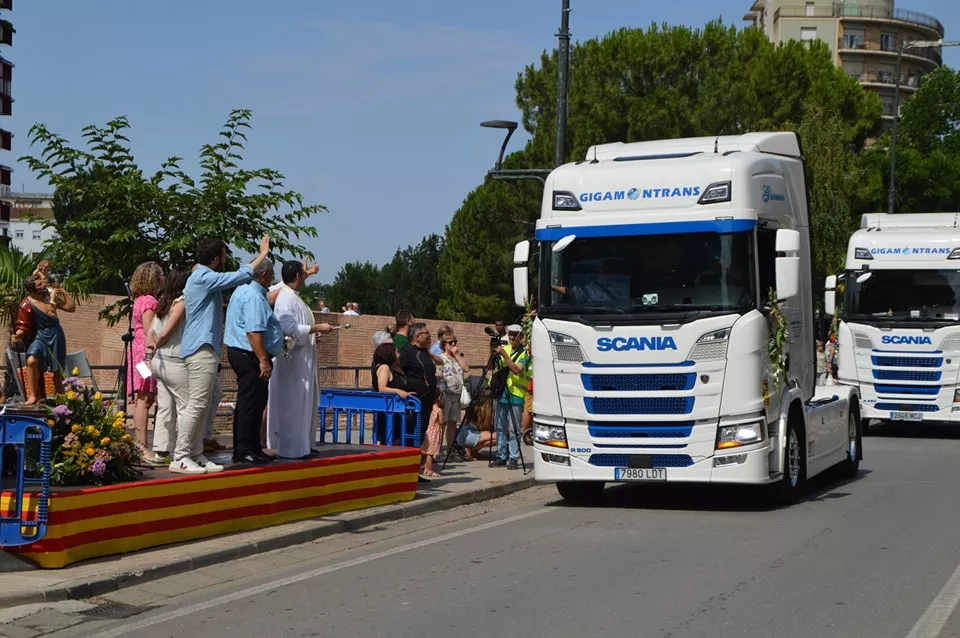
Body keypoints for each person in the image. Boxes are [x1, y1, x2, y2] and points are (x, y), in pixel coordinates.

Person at [175, 235, 271, 475]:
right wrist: (262, 255)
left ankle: (196, 453)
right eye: (225, 255)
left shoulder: (202, 276)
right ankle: (181, 456)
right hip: (200, 349)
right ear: (217, 258)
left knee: (204, 404)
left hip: (204, 349)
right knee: (196, 405)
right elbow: (238, 276)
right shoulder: (203, 277)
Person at [267, 260, 333, 459]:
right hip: (293, 363)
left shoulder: (294, 297)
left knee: (304, 402)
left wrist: (313, 335)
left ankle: (302, 444)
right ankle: (290, 447)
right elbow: (288, 327)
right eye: (303, 274)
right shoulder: (286, 299)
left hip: (303, 359)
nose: (305, 277)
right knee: (292, 403)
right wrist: (316, 328)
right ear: (297, 276)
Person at [225, 258, 284, 464]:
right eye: (271, 274)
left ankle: (253, 446)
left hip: (245, 353)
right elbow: (254, 330)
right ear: (264, 275)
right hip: (249, 354)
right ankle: (244, 449)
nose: (272, 278)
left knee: (256, 402)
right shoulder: (253, 296)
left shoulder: (245, 291)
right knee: (250, 403)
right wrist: (263, 360)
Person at [146, 269, 190, 466]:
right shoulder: (181, 302)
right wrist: (160, 343)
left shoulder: (162, 302)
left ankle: (161, 451)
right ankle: (183, 452)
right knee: (186, 407)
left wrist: (151, 352)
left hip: (159, 362)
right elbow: (166, 332)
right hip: (174, 359)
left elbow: (151, 332)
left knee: (165, 407)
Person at [11, 273, 75, 404]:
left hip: (56, 335)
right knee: (31, 360)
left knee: (57, 371)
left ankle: (62, 401)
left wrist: (63, 292)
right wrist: (18, 335)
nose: (43, 285)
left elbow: (70, 308)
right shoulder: (26, 303)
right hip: (40, 335)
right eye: (39, 284)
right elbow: (23, 325)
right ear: (31, 288)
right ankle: (33, 395)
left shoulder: (49, 298)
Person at [128, 261, 164, 463]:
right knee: (146, 398)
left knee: (144, 397)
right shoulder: (150, 301)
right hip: (146, 354)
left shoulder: (139, 299)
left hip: (138, 352)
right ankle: (142, 445)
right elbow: (151, 330)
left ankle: (141, 443)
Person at [492, 324, 530, 470]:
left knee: (514, 428)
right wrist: (493, 351)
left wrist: (504, 355)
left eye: (516, 335)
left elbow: (516, 369)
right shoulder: (505, 349)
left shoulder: (524, 354)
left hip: (515, 394)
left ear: (521, 337)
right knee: (500, 426)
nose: (513, 337)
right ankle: (501, 455)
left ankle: (513, 457)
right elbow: (492, 367)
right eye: (511, 334)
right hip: (501, 391)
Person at [371, 341, 412, 444]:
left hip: (397, 411)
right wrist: (399, 391)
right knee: (391, 441)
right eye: (397, 352)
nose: (399, 354)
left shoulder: (394, 368)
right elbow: (382, 388)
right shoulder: (384, 367)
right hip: (388, 412)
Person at [438, 332, 469, 454]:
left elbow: (466, 368)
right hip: (446, 394)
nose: (454, 344)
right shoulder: (440, 358)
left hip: (456, 394)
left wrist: (457, 355)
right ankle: (437, 451)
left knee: (452, 424)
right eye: (451, 342)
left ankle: (450, 451)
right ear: (444, 344)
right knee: (442, 423)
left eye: (455, 342)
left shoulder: (456, 358)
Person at [421, 393, 444, 478]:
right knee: (430, 453)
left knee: (425, 450)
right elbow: (441, 422)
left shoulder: (428, 408)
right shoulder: (438, 410)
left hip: (427, 430)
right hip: (434, 432)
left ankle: (425, 467)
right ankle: (428, 470)